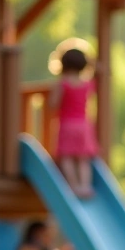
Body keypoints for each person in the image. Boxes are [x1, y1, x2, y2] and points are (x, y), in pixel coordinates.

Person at [50, 45, 99, 198]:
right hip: (84, 125)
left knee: (67, 156)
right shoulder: (87, 84)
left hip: (67, 124)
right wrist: (94, 66)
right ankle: (85, 186)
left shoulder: (63, 83)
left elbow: (53, 103)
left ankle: (74, 186)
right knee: (83, 158)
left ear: (63, 64)